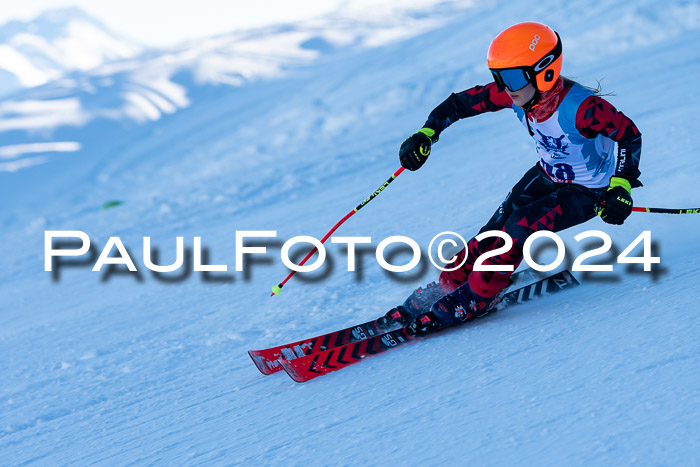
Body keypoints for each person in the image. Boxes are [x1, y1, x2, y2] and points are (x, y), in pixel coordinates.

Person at [386, 22, 642, 336]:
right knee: (494, 229)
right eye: (500, 77)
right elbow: (459, 104)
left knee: (519, 228)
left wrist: (621, 185)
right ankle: (451, 282)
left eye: (512, 77)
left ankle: (478, 297)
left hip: (590, 191)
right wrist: (427, 132)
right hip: (548, 175)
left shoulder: (583, 109)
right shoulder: (519, 94)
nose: (505, 87)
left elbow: (629, 136)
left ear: (544, 70)